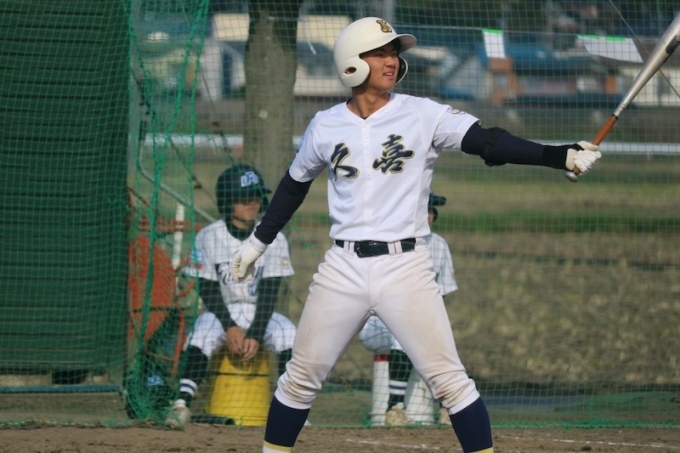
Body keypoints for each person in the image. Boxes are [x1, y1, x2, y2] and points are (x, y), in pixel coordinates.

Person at [231, 17, 601, 453]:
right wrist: (257, 243)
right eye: (380, 53)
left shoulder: (422, 114)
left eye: (394, 53)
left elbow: (488, 142)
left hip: (405, 267)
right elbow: (294, 186)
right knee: (299, 378)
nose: (392, 61)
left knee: (450, 383)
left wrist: (558, 156)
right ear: (352, 63)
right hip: (342, 267)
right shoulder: (325, 124)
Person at [165, 163, 297, 429]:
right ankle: (181, 404)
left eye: (256, 196)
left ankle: (291, 409)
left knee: (290, 335)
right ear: (228, 202)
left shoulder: (274, 237)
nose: (252, 203)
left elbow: (270, 291)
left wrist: (256, 333)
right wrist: (230, 327)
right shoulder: (209, 236)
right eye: (243, 198)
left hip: (259, 311)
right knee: (201, 333)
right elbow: (208, 289)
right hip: (220, 311)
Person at [359, 191, 457, 427]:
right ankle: (394, 407)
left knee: (439, 340)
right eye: (422, 210)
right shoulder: (390, 241)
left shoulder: (439, 245)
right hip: (376, 323)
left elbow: (441, 295)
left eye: (430, 211)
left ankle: (448, 405)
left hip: (414, 321)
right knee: (404, 336)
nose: (427, 215)